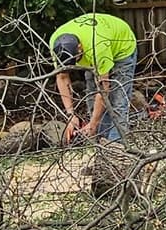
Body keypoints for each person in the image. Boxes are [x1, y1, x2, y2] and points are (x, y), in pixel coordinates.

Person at [49, 10, 138, 145]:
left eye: (75, 60)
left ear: (80, 48)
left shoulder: (97, 47)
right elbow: (62, 77)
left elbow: (103, 89)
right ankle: (100, 143)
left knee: (118, 101)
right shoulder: (56, 43)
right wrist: (70, 115)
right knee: (92, 98)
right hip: (93, 53)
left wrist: (93, 123)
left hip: (121, 47)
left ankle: (115, 147)